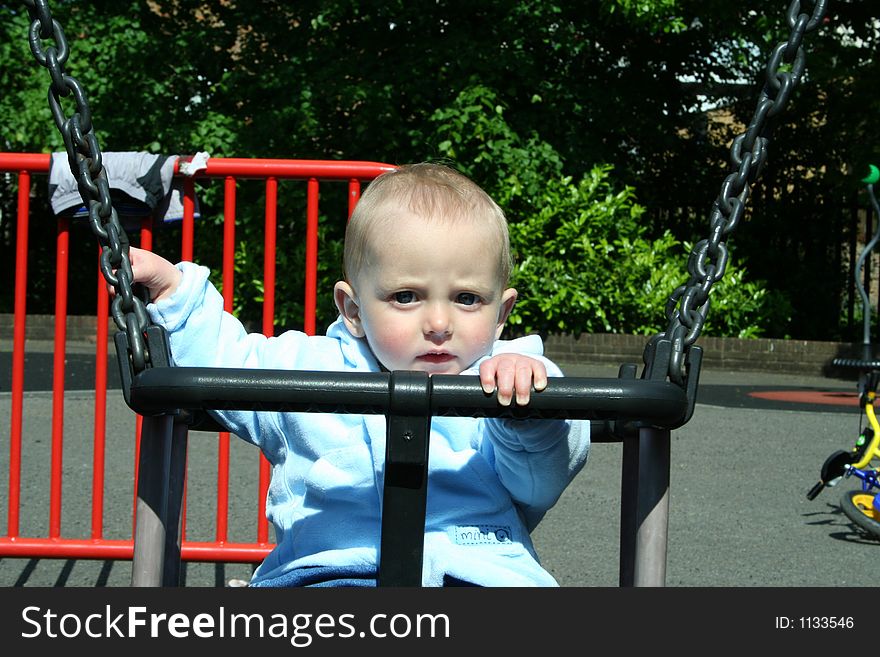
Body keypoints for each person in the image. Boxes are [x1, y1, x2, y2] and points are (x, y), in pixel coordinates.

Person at [128, 162, 590, 587]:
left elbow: (538, 482)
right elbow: (228, 360)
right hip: (329, 570)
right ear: (353, 308)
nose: (439, 323)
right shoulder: (311, 368)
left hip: (478, 571)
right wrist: (176, 295)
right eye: (406, 296)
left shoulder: (501, 378)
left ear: (501, 311)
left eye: (467, 299)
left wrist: (531, 413)